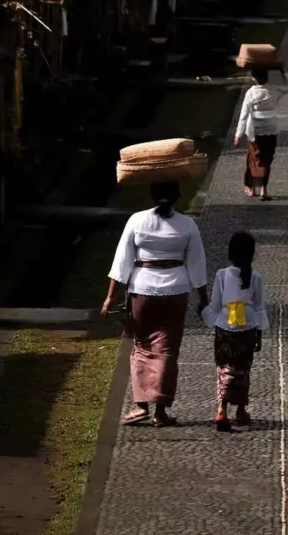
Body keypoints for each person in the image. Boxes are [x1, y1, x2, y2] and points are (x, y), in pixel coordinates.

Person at [103, 182, 208, 427]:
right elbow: (197, 265)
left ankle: (140, 406)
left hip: (142, 291)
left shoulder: (137, 221)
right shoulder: (187, 225)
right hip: (176, 292)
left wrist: (110, 296)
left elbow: (122, 262)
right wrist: (204, 299)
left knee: (142, 347)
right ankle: (160, 411)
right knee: (168, 352)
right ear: (176, 199)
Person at [202, 231, 269, 431]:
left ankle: (221, 408)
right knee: (243, 368)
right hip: (248, 327)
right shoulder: (255, 277)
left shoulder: (222, 275)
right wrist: (259, 333)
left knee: (224, 367)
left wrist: (205, 315)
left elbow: (215, 303)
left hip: (225, 326)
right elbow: (259, 307)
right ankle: (240, 409)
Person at [234, 66, 288, 201]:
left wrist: (238, 134)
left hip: (255, 130)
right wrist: (283, 73)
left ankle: (251, 187)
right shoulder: (272, 90)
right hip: (271, 129)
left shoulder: (251, 93)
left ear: (253, 78)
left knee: (253, 160)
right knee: (267, 159)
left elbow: (244, 115)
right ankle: (263, 189)